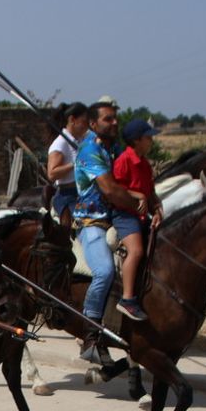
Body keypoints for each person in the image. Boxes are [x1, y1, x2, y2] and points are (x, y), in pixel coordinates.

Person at [72, 101, 147, 360]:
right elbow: (110, 189)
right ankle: (90, 334)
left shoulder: (113, 148)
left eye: (115, 118)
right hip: (91, 223)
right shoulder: (89, 149)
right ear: (93, 124)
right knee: (103, 272)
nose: (114, 123)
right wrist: (138, 204)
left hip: (115, 217)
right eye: (108, 119)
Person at [111, 118, 164, 321]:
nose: (151, 141)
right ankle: (127, 299)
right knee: (136, 250)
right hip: (124, 214)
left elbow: (150, 193)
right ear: (136, 140)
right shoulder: (124, 161)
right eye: (148, 137)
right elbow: (115, 189)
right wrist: (136, 195)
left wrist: (157, 209)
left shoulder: (145, 164)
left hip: (143, 214)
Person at [45, 101, 90, 227]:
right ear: (72, 120)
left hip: (83, 193)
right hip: (67, 196)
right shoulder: (61, 143)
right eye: (84, 121)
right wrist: (74, 163)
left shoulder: (80, 141)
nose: (87, 125)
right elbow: (52, 174)